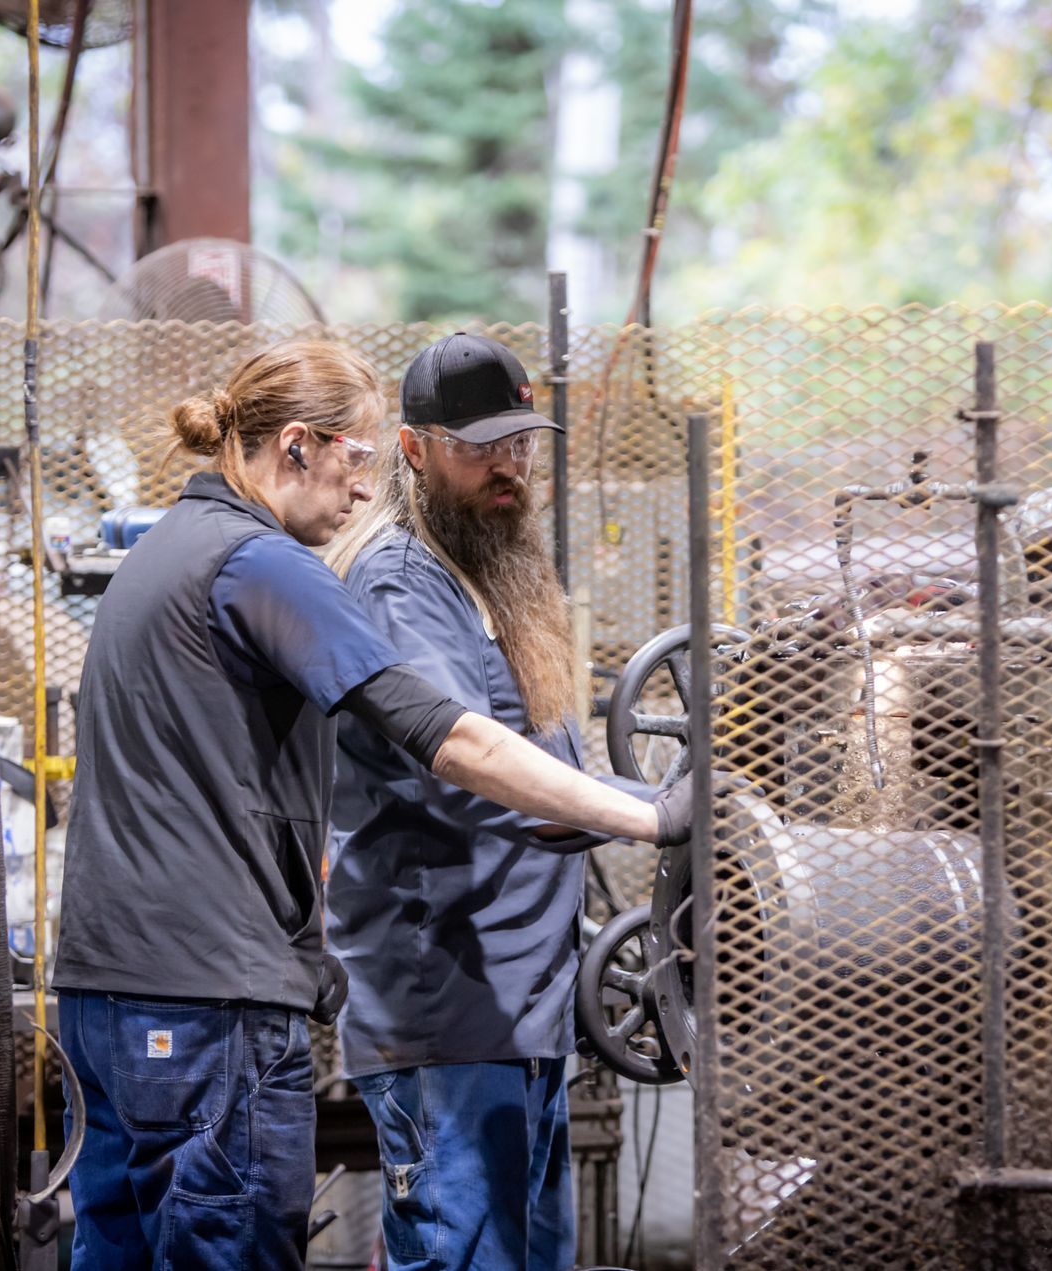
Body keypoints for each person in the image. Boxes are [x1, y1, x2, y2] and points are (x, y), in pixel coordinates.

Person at [51, 340, 696, 1271]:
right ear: (300, 446)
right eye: (358, 461)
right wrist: (655, 816)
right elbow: (451, 740)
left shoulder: (170, 554)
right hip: (211, 1001)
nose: (363, 491)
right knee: (226, 1250)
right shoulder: (259, 565)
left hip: (120, 991)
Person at [324, 332, 649, 1271]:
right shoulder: (399, 579)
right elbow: (471, 761)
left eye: (518, 444)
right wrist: (651, 808)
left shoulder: (485, 574)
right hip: (450, 1012)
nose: (506, 467)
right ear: (414, 450)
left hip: (523, 1009)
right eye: (479, 448)